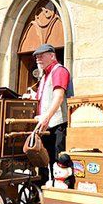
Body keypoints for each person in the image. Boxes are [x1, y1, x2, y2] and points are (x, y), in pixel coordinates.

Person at [32, 44, 71, 184]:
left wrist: (46, 118)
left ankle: (58, 198)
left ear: (52, 56)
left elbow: (59, 97)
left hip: (57, 125)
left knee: (58, 165)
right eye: (36, 57)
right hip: (46, 126)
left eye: (41, 56)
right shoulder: (44, 75)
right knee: (44, 162)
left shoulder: (58, 71)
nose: (38, 59)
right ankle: (42, 197)